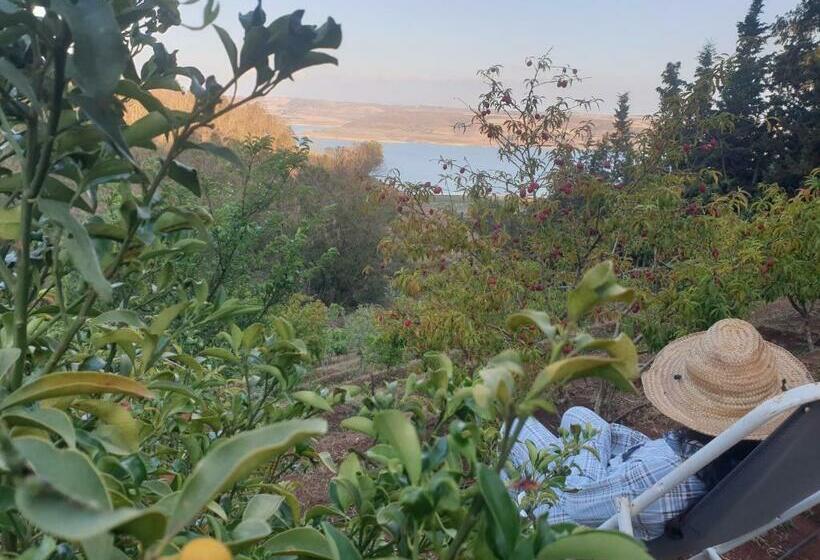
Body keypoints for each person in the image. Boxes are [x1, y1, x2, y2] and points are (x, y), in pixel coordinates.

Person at [505, 318, 814, 540]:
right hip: (623, 491)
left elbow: (576, 501)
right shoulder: (755, 462)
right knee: (577, 414)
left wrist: (592, 446)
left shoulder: (663, 468)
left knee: (513, 429)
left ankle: (505, 515)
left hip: (570, 513)